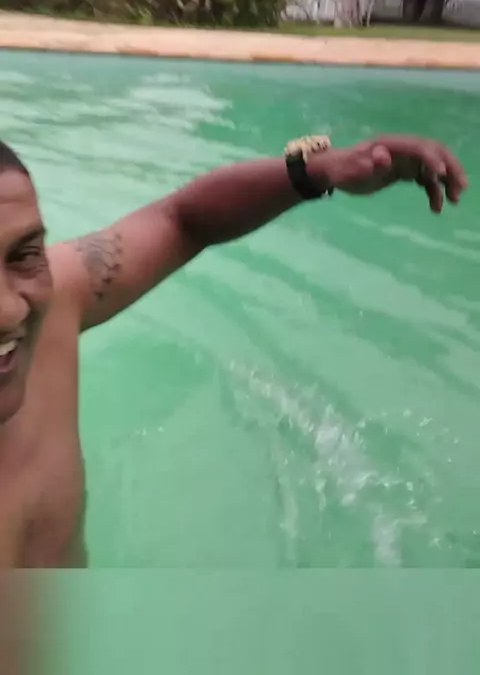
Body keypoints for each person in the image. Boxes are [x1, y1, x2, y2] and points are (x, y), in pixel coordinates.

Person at [0, 132, 468, 567]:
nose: (9, 311)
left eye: (24, 254)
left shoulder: (55, 301)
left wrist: (319, 171)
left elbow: (182, 220)